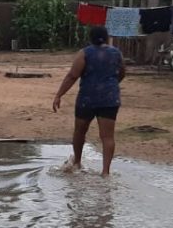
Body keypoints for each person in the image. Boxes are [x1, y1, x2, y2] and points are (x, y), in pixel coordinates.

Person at [52, 26, 126, 176]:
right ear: (106, 38)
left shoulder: (85, 53)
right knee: (107, 136)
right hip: (110, 99)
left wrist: (59, 95)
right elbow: (122, 73)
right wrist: (111, 85)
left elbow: (72, 76)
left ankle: (77, 162)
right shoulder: (116, 53)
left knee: (80, 131)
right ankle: (105, 172)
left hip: (87, 98)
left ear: (90, 38)